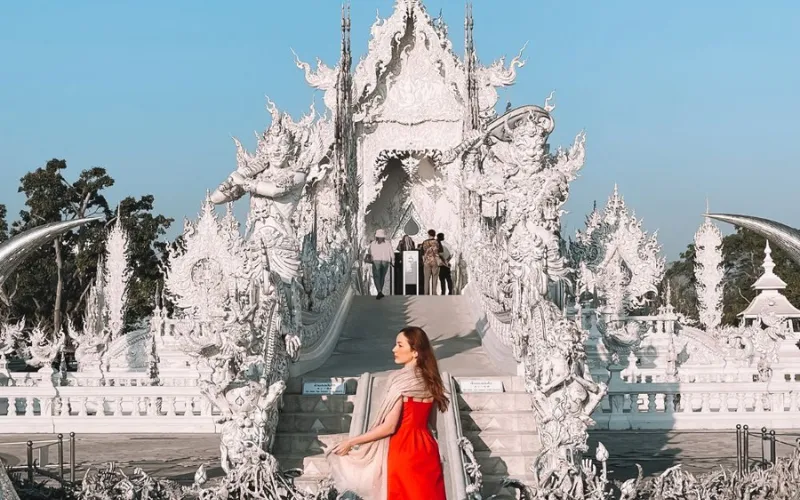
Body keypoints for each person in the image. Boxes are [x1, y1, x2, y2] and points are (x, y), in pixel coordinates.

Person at [327, 326, 448, 500]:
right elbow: (432, 425)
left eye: (400, 345)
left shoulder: (398, 380)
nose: (394, 349)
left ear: (415, 352)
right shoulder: (432, 380)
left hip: (402, 451)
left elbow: (389, 427)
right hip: (428, 450)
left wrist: (351, 441)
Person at [367, 229, 394, 299]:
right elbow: (391, 253)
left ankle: (379, 291)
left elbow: (369, 252)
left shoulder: (373, 243)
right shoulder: (388, 243)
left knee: (376, 276)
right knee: (382, 277)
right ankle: (380, 291)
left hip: (376, 261)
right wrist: (393, 260)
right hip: (385, 261)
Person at [420, 229, 441, 295]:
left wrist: (424, 260)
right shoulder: (437, 242)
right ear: (434, 235)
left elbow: (422, 252)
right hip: (435, 261)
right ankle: (434, 293)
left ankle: (426, 293)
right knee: (435, 277)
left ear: (428, 234)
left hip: (427, 262)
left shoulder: (424, 242)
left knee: (426, 278)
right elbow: (439, 252)